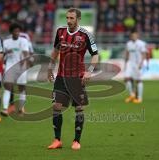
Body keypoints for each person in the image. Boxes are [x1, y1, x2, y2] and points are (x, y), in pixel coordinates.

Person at [47, 8, 99, 150]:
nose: (69, 21)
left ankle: (76, 141)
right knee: (56, 107)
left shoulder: (85, 35)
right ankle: (57, 140)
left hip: (77, 78)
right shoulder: (60, 32)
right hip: (61, 77)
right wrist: (50, 67)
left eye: (72, 18)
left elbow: (95, 54)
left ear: (78, 19)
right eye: (67, 18)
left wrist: (89, 71)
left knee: (79, 109)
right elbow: (55, 51)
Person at [0, 23, 30, 116]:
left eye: (18, 31)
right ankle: (5, 109)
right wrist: (6, 53)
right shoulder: (6, 42)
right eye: (15, 31)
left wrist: (25, 61)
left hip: (21, 67)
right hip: (10, 66)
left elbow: (26, 53)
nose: (17, 33)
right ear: (11, 32)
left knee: (21, 89)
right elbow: (1, 55)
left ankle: (21, 108)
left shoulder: (24, 41)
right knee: (7, 88)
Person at [124, 30, 147, 104]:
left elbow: (144, 54)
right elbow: (127, 53)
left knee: (138, 80)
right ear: (131, 36)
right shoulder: (128, 44)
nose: (133, 37)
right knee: (127, 79)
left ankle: (139, 98)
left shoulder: (141, 43)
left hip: (138, 64)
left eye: (135, 35)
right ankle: (132, 95)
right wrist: (126, 63)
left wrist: (141, 63)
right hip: (130, 63)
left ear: (137, 36)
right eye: (132, 36)